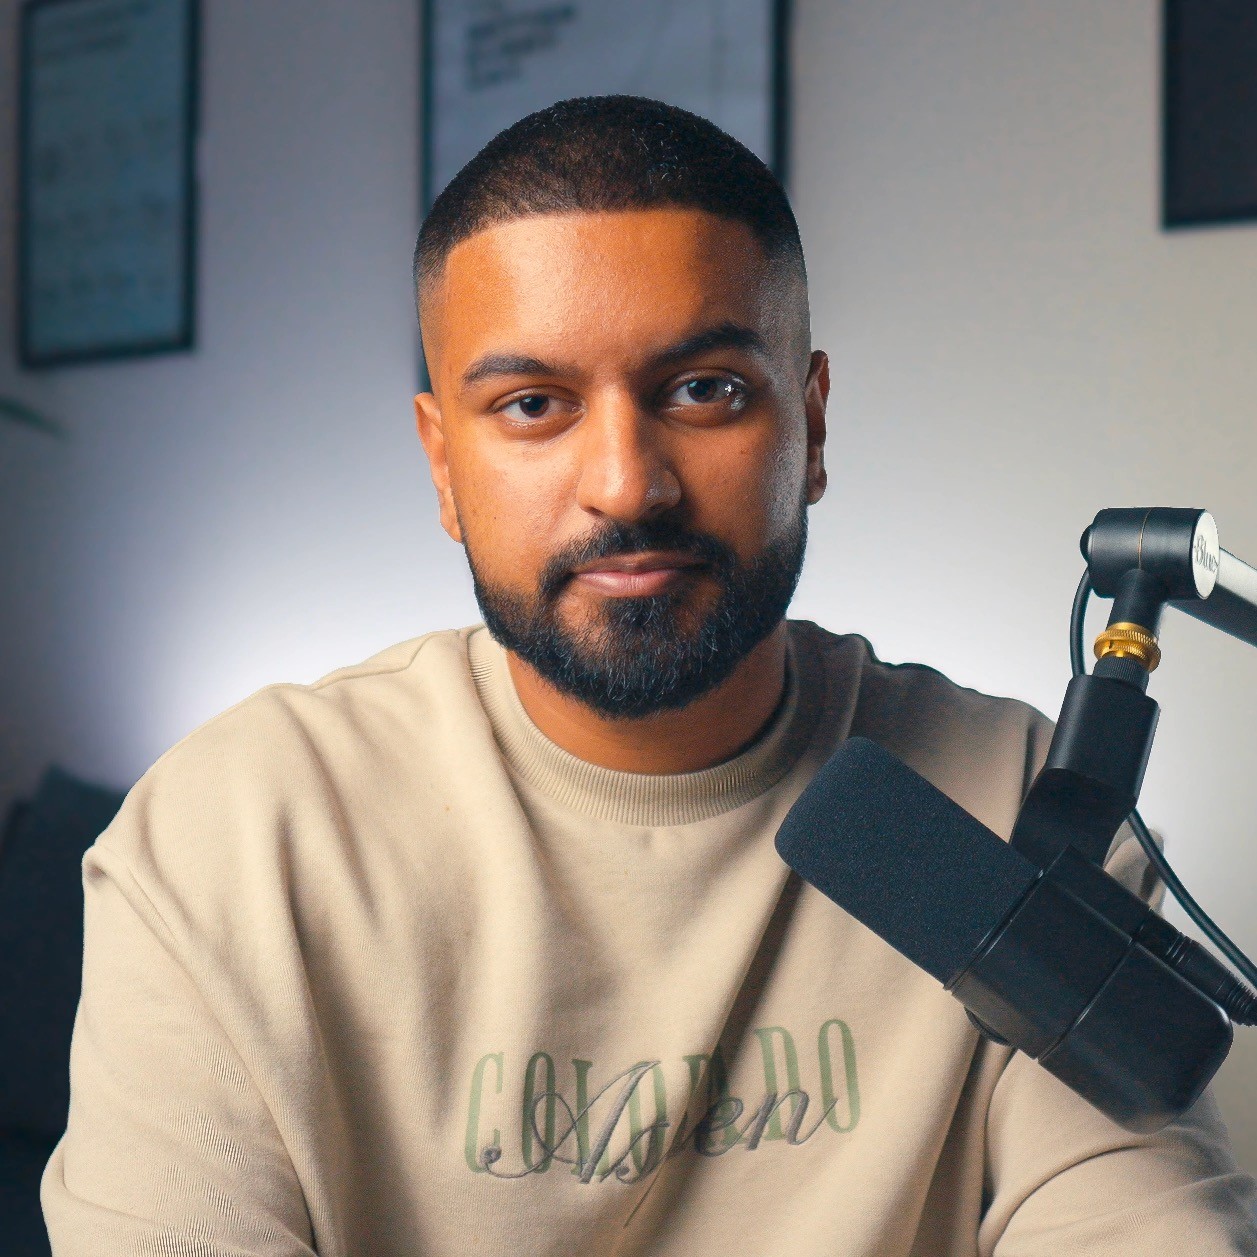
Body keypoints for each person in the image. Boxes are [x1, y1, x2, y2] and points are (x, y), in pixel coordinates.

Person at [42, 96, 1257, 1255]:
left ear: (812, 426)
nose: (626, 483)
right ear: (442, 465)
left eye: (703, 391)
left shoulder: (1016, 800)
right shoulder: (236, 834)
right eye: (532, 405)